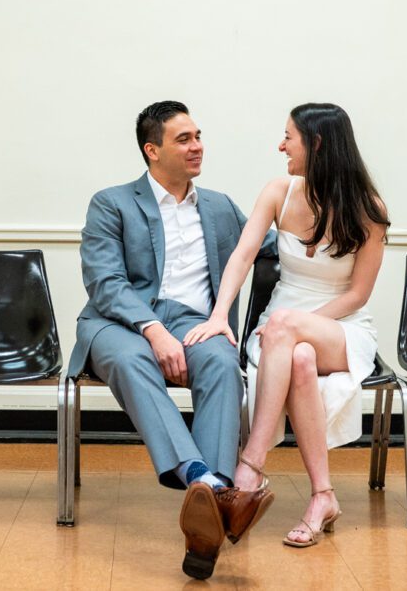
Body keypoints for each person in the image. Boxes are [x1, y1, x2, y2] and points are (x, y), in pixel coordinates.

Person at [71, 100, 275, 581]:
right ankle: (207, 483)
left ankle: (206, 507)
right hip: (116, 322)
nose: (197, 146)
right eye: (183, 139)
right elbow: (105, 282)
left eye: (199, 136)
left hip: (193, 322)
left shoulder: (221, 207)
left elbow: (272, 248)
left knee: (223, 362)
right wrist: (153, 328)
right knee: (133, 363)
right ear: (152, 150)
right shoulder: (112, 202)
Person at [183, 102, 389, 548]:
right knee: (297, 356)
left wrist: (296, 323)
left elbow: (357, 295)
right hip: (281, 333)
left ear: (316, 143)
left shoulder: (369, 208)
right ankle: (322, 496)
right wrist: (219, 316)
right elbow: (241, 256)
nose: (281, 146)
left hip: (342, 327)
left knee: (289, 334)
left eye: (288, 137)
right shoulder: (278, 191)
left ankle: (250, 468)